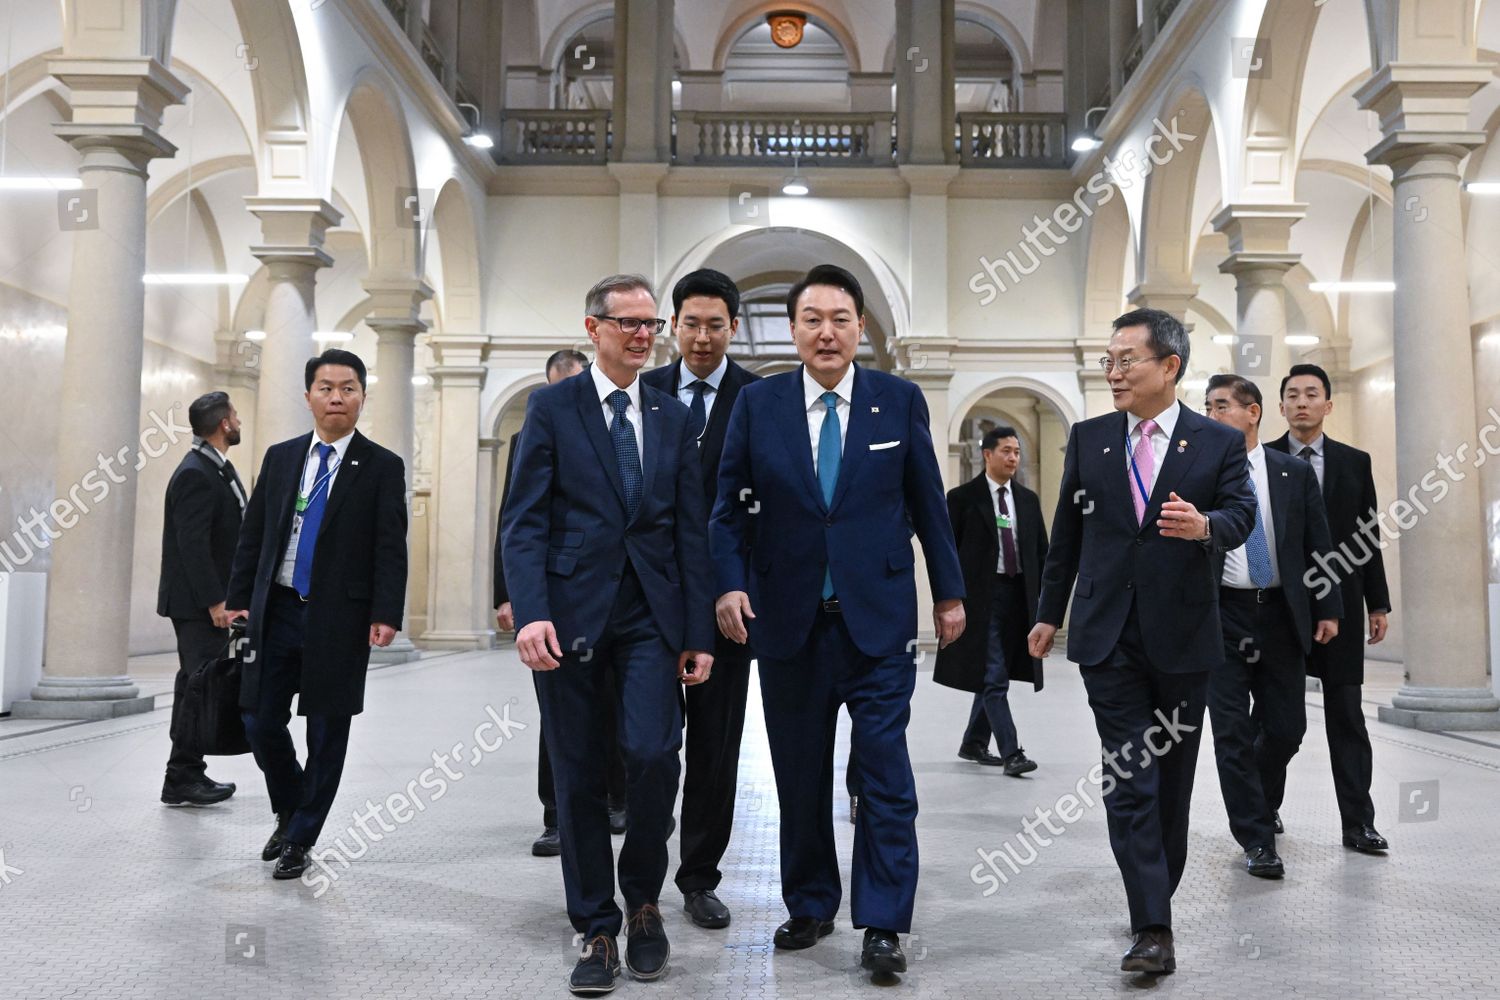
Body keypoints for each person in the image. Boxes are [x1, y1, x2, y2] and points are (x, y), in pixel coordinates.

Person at [712, 263, 965, 980]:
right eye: (813, 319)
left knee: (885, 774)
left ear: (862, 329)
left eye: (841, 318)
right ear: (793, 330)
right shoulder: (758, 406)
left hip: (878, 624)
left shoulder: (897, 399)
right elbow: (726, 509)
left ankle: (882, 921)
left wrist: (949, 593)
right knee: (798, 774)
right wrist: (729, 586)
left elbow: (927, 506)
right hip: (787, 623)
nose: (827, 331)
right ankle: (812, 902)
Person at [502, 274, 715, 995]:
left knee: (655, 755)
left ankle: (645, 899)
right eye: (626, 322)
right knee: (579, 772)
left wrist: (698, 632)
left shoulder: (673, 416)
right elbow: (524, 519)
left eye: (649, 324)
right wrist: (529, 610)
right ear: (592, 328)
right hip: (568, 616)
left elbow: (691, 529)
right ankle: (596, 926)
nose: (640, 335)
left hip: (651, 617)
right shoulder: (552, 409)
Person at [1027, 309, 1255, 976]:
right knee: (1129, 774)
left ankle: (1153, 894)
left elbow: (1241, 516)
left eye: (1128, 359)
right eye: (1109, 359)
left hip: (1184, 638)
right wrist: (1047, 613)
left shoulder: (1215, 442)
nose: (1114, 371)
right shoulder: (1091, 437)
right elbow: (1066, 537)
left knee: (1171, 784)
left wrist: (1206, 525)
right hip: (1106, 637)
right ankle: (1154, 924)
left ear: (1170, 367)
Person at [224, 349, 407, 882]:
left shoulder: (380, 466)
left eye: (348, 388)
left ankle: (300, 837)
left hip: (339, 617)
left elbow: (390, 546)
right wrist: (239, 598)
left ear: (362, 397)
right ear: (308, 397)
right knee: (259, 717)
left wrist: (386, 611)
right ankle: (293, 807)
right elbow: (254, 533)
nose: (336, 397)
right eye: (326, 388)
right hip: (276, 609)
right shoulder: (282, 459)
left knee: (328, 728)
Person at [642, 268, 761, 930]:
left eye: (716, 325)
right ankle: (642, 873)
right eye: (691, 323)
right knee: (651, 744)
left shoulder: (758, 399)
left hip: (725, 607)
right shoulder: (643, 392)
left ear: (733, 329)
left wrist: (735, 585)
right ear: (673, 326)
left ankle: (698, 877)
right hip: (650, 603)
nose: (702, 336)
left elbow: (760, 506)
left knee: (717, 745)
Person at [1202, 374, 1341, 879]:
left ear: (1253, 412)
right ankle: (1257, 837)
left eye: (1221, 407)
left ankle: (1258, 801)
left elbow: (1318, 544)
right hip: (1221, 615)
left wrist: (1328, 607)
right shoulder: (1201, 474)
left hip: (1282, 613)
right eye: (1207, 407)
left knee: (1287, 728)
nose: (1211, 416)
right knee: (1231, 732)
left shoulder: (1289, 473)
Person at [494, 349, 628, 858]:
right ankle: (556, 816)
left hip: (617, 591)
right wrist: (510, 596)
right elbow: (516, 521)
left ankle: (618, 798)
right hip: (559, 594)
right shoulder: (535, 429)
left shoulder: (625, 421)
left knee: (619, 711)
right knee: (560, 720)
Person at [1266, 363, 1392, 853]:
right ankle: (1264, 807)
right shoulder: (1261, 458)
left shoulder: (1353, 462)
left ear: (1328, 404)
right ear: (1280, 407)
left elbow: (1368, 537)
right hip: (1279, 608)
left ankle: (1358, 823)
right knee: (1276, 720)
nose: (1301, 402)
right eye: (1292, 394)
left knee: (1346, 715)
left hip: (1339, 605)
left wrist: (1376, 601)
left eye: (1311, 394)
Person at [934, 425, 1047, 776]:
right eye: (1006, 451)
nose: (1013, 457)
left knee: (999, 672)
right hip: (981, 599)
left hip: (1018, 597)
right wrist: (948, 600)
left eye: (1016, 451)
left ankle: (973, 742)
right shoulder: (962, 498)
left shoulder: (1027, 501)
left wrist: (1046, 604)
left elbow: (1041, 552)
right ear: (987, 454)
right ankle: (1012, 753)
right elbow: (946, 552)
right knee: (995, 674)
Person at [156, 391, 245, 806]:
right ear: (224, 423)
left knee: (196, 685)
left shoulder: (214, 467)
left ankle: (185, 773)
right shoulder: (196, 472)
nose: (239, 421)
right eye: (236, 416)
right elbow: (191, 545)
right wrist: (215, 602)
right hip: (196, 606)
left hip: (205, 602)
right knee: (197, 686)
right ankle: (182, 776)